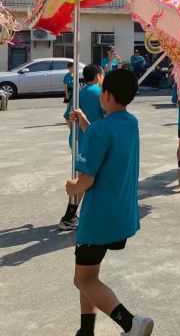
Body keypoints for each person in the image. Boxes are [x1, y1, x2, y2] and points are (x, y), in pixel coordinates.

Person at [66, 69, 154, 336]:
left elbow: (86, 180)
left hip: (98, 217)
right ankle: (86, 330)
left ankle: (131, 323)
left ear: (106, 95)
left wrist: (72, 187)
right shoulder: (131, 122)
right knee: (90, 275)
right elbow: (108, 142)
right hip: (121, 213)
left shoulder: (100, 130)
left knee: (83, 279)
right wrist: (86, 124)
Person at [59, 64, 105, 231]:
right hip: (95, 143)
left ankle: (71, 215)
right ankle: (69, 217)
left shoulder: (79, 93)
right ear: (98, 76)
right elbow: (108, 117)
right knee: (90, 179)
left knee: (84, 177)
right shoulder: (101, 93)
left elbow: (67, 118)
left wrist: (76, 133)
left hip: (78, 141)